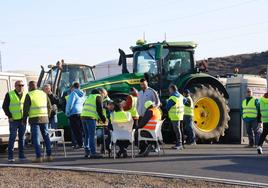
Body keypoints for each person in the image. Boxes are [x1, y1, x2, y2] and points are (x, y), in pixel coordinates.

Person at [22, 81, 52, 162]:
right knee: (46, 136)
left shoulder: (29, 95)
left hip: (34, 119)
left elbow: (25, 109)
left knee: (36, 138)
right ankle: (49, 156)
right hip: (45, 118)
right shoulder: (43, 94)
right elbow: (50, 106)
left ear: (30, 87)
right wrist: (47, 115)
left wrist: (24, 120)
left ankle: (39, 157)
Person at [2, 80, 27, 162]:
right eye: (19, 85)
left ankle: (21, 156)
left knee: (22, 138)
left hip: (22, 120)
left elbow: (27, 107)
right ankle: (10, 156)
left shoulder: (25, 94)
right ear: (15, 86)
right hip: (13, 120)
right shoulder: (10, 94)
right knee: (12, 138)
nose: (21, 87)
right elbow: (4, 106)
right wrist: (9, 116)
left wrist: (26, 117)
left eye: (22, 85)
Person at [81, 89, 106, 158]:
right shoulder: (98, 97)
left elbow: (84, 105)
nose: (103, 97)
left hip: (83, 116)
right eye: (104, 95)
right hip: (90, 118)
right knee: (92, 135)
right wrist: (103, 119)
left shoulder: (89, 96)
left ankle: (87, 152)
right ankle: (93, 152)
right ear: (101, 93)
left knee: (87, 135)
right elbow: (99, 109)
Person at [65, 82, 85, 149]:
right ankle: (82, 143)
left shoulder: (73, 93)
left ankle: (80, 144)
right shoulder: (83, 94)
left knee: (75, 130)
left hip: (73, 113)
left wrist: (67, 113)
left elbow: (70, 104)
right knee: (80, 129)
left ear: (73, 87)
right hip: (81, 113)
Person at [166, 85, 185, 150]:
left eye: (169, 89)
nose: (169, 91)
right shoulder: (180, 95)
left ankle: (179, 144)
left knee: (177, 130)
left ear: (172, 89)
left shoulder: (173, 97)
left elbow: (167, 107)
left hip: (175, 116)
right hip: (180, 115)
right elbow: (185, 100)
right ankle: (180, 143)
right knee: (179, 129)